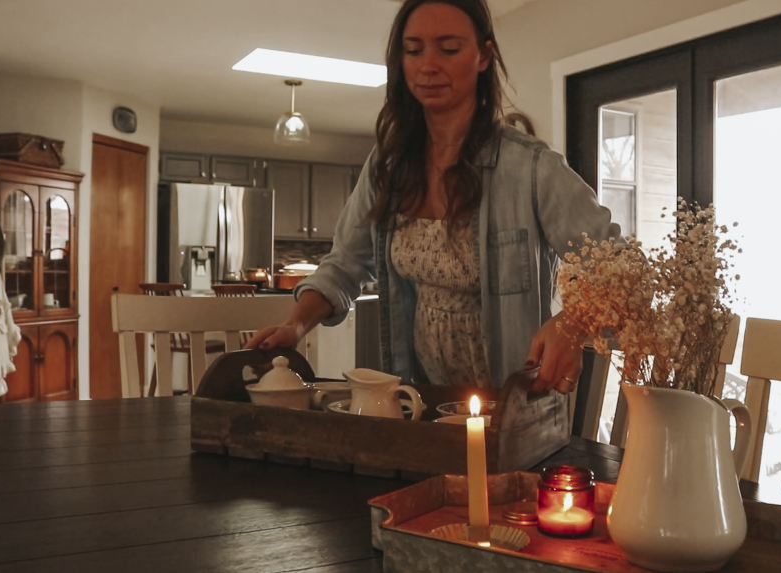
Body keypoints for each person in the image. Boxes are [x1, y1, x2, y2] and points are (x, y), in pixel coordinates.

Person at [246, 0, 619, 394]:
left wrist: (573, 323)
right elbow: (345, 264)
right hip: (423, 404)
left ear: (483, 56)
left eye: (449, 49)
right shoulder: (387, 167)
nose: (428, 65)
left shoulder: (530, 169)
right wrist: (296, 324)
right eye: (413, 50)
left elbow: (620, 267)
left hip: (516, 412)